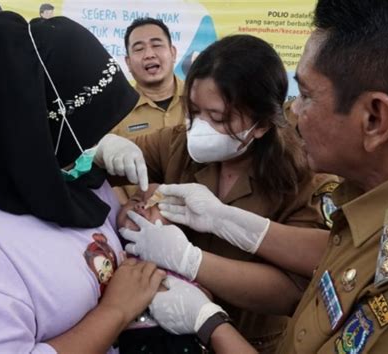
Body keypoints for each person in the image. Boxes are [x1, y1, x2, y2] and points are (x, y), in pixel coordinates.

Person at [130, 0, 388, 352]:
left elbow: (293, 291)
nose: (293, 112)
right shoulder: (376, 207)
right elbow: (338, 252)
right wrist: (226, 220)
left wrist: (207, 317)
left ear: (374, 119)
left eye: (305, 95)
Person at [101, 34, 340, 352]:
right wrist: (102, 150)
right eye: (194, 111)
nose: (199, 127)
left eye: (217, 118)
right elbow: (109, 165)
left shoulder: (302, 179)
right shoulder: (178, 144)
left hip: (251, 341)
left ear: (261, 125)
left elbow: (292, 292)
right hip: (171, 336)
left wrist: (191, 261)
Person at [0, 11, 164, 353]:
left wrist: (125, 219)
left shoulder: (59, 173)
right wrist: (115, 312)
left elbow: (86, 232)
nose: (93, 146)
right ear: (40, 131)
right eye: (87, 135)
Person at [115, 184, 203, 354]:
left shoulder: (178, 259)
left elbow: (205, 297)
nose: (141, 206)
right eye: (135, 199)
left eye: (157, 206)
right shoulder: (113, 251)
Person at [111, 17, 184, 138]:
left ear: (173, 53)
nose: (149, 55)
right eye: (139, 49)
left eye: (156, 45)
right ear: (128, 62)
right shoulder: (116, 113)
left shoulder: (199, 99)